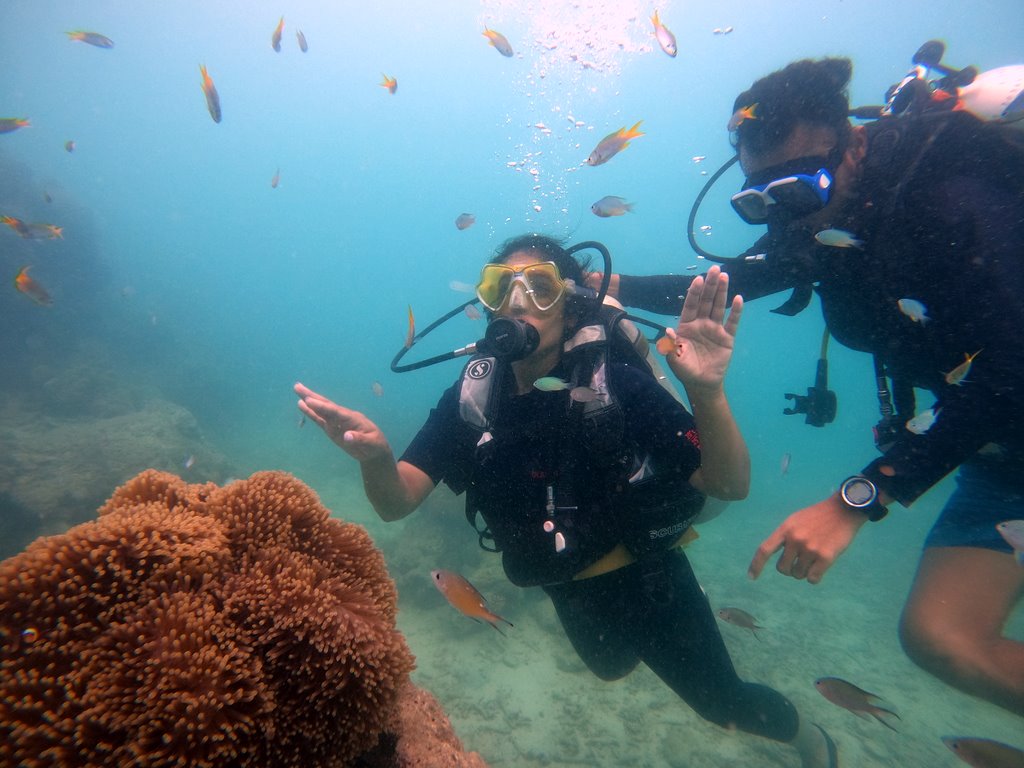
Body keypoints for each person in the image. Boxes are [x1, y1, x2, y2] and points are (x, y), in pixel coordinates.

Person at [296, 233, 839, 767]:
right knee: (609, 667)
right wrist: (375, 459)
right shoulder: (473, 395)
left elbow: (729, 486)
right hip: (560, 587)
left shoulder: (614, 381)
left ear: (570, 303)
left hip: (646, 582)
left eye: (540, 286)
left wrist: (706, 391)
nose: (517, 301)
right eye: (498, 286)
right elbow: (397, 502)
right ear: (484, 303)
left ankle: (809, 737)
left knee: (724, 706)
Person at [598, 57, 1024, 716]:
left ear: (855, 145)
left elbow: (1010, 374)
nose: (783, 215)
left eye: (799, 188)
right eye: (759, 198)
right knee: (942, 639)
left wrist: (860, 498)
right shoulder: (823, 219)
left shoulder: (954, 200)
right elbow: (732, 283)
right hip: (1003, 463)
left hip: (1000, 417)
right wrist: (607, 287)